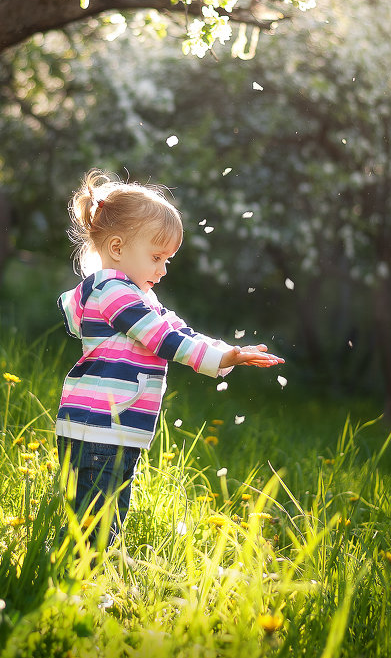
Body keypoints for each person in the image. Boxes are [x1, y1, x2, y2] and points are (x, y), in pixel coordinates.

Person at [56, 169, 284, 549]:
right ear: (116, 248)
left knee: (102, 513)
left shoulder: (138, 296)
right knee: (95, 518)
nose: (163, 270)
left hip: (114, 425)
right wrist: (221, 357)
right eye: (157, 257)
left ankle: (86, 571)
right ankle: (76, 580)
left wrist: (228, 353)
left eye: (168, 259)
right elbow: (164, 339)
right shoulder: (115, 293)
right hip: (99, 426)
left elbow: (182, 331)